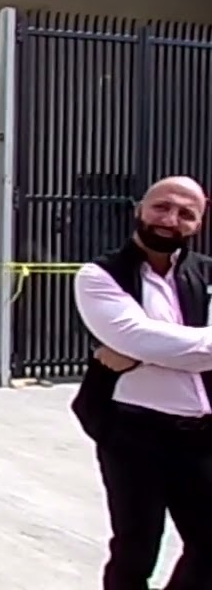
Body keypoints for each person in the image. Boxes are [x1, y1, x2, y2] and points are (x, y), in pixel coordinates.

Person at [71, 175, 212, 590]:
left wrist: (151, 347)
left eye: (187, 213)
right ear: (140, 209)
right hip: (134, 434)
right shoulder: (100, 275)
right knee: (135, 551)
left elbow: (143, 343)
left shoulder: (206, 274)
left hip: (202, 437)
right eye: (162, 207)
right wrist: (148, 343)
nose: (171, 219)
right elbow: (133, 336)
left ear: (199, 223)